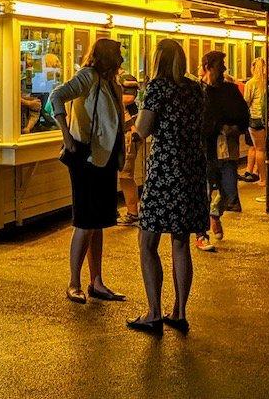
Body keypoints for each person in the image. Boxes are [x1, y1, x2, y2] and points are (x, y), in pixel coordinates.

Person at [129, 39, 206, 334]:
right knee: (181, 240)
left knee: (147, 242)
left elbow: (144, 128)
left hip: (165, 169)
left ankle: (154, 312)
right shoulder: (194, 88)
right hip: (191, 168)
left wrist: (136, 126)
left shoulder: (157, 88)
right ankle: (180, 311)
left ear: (158, 59)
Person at [51, 38, 127, 304]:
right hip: (86, 157)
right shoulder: (89, 76)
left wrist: (121, 151)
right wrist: (67, 137)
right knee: (85, 222)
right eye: (118, 54)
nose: (121, 59)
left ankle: (96, 281)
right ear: (107, 57)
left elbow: (114, 122)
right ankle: (74, 282)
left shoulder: (110, 82)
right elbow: (56, 96)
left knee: (98, 223)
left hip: (103, 159)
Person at [197, 50, 250, 249]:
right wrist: (218, 127)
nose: (224, 69)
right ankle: (201, 234)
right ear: (208, 67)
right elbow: (200, 121)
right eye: (220, 65)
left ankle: (214, 214)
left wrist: (236, 127)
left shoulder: (231, 90)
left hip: (229, 148)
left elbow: (243, 115)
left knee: (229, 191)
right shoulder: (199, 91)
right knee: (204, 190)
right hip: (206, 148)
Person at [117, 74, 145, 226]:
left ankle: (133, 212)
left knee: (126, 176)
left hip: (129, 136)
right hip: (129, 135)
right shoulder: (136, 94)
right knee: (125, 176)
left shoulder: (126, 93)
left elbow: (128, 99)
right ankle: (132, 211)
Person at [242, 58, 267, 184]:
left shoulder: (251, 83)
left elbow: (246, 101)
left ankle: (263, 179)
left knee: (259, 150)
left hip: (255, 118)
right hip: (267, 119)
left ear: (253, 68)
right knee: (265, 149)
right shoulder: (268, 82)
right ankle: (264, 175)